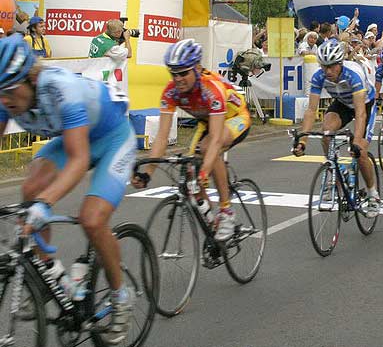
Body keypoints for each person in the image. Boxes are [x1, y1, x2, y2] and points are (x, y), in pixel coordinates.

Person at [0, 34, 135, 344]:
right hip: (77, 137)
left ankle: (121, 297)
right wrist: (37, 199)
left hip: (112, 138)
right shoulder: (6, 97)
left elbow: (79, 160)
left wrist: (44, 204)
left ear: (30, 79)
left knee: (91, 219)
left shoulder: (60, 88)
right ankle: (48, 275)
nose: (5, 100)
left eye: (9, 90)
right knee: (30, 188)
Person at [131, 39, 251, 241]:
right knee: (190, 172)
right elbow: (161, 136)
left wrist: (205, 171)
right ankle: (212, 225)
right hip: (207, 121)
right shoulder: (170, 92)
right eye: (173, 73)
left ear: (196, 68)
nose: (178, 79)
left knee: (208, 150)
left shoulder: (211, 89)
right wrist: (148, 173)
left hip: (235, 117)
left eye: (183, 72)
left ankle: (226, 211)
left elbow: (213, 141)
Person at [292, 39, 380, 217]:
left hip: (365, 105)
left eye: (332, 66)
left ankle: (373, 194)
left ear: (340, 63)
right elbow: (311, 110)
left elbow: (361, 113)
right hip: (342, 104)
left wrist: (356, 141)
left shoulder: (353, 74)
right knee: (326, 132)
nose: (328, 71)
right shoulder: (318, 76)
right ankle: (338, 171)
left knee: (360, 151)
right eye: (324, 66)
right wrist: (302, 140)